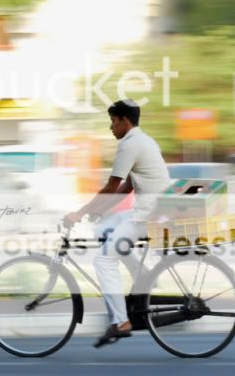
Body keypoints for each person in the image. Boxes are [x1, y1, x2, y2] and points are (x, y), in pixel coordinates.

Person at [63, 99, 171, 348]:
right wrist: (100, 210)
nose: (111, 127)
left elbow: (112, 186)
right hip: (154, 210)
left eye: (113, 121)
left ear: (124, 121)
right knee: (106, 229)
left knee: (102, 259)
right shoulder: (144, 140)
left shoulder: (130, 145)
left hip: (148, 215)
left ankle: (121, 322)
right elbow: (126, 188)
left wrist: (79, 212)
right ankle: (143, 278)